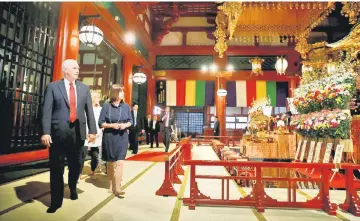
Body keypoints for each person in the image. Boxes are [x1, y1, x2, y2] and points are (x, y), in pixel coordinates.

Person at [41, 59, 97, 213]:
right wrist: (45, 132)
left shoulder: (84, 88)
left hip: (78, 133)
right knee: (56, 168)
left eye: (78, 67)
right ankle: (56, 201)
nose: (78, 70)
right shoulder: (53, 87)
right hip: (57, 134)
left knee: (76, 165)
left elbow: (89, 112)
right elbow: (46, 111)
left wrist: (93, 131)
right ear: (65, 70)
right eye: (74, 68)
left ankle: (72, 187)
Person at [98, 84, 132, 197]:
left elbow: (130, 121)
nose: (123, 94)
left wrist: (125, 125)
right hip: (109, 137)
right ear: (115, 93)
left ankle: (118, 188)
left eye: (123, 92)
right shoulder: (106, 106)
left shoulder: (126, 106)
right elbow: (101, 123)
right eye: (121, 92)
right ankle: (111, 184)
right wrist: (112, 125)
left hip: (122, 137)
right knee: (110, 162)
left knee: (120, 162)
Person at [83, 91, 103, 178]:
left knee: (95, 154)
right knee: (81, 155)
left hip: (97, 134)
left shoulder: (101, 109)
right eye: (98, 97)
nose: (99, 99)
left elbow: (102, 122)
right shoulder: (85, 108)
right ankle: (78, 173)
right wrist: (87, 133)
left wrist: (97, 133)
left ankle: (93, 170)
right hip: (86, 134)